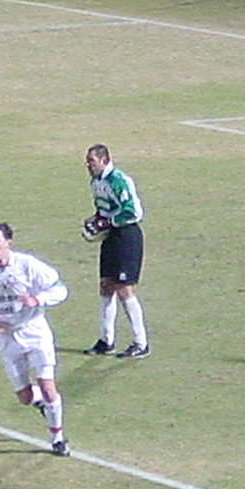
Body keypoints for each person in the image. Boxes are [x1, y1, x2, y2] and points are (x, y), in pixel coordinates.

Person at [0, 223, 70, 456]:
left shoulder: (29, 265)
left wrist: (37, 300)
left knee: (48, 386)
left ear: (9, 242)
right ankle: (41, 404)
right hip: (6, 336)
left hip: (34, 330)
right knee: (24, 397)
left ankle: (57, 438)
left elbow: (60, 290)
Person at [81, 144, 150, 359]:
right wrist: (96, 220)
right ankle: (106, 340)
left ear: (104, 160)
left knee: (124, 289)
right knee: (106, 286)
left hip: (127, 237)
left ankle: (141, 342)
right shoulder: (96, 182)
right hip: (111, 236)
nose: (88, 165)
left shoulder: (118, 180)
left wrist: (108, 221)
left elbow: (134, 212)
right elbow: (102, 208)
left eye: (91, 160)